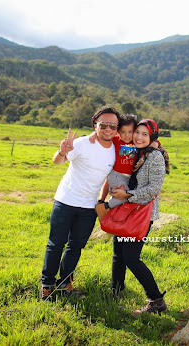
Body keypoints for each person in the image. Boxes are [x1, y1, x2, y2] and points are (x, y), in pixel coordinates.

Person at [40, 106, 121, 301]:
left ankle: (65, 283)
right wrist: (62, 151)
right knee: (56, 244)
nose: (108, 129)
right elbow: (57, 161)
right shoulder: (82, 143)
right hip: (66, 201)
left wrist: (103, 200)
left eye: (113, 126)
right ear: (95, 125)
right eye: (103, 125)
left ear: (117, 129)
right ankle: (46, 285)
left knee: (76, 246)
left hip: (89, 207)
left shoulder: (116, 149)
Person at [97, 119, 171, 316]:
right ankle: (116, 293)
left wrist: (127, 194)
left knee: (131, 257)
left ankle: (156, 300)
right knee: (118, 254)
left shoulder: (154, 156)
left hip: (140, 213)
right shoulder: (137, 152)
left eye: (144, 134)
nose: (138, 137)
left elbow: (154, 188)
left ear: (152, 136)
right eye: (136, 132)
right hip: (126, 210)